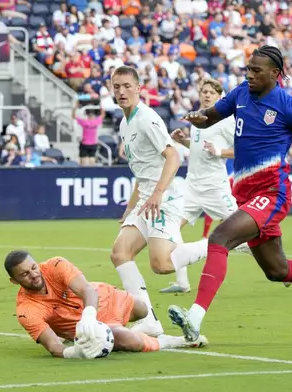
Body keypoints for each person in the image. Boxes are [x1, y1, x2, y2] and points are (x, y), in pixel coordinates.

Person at [167, 46, 292, 342]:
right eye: (248, 68)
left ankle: (194, 318)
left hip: (272, 193)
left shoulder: (289, 105)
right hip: (246, 194)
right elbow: (211, 115)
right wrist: (198, 117)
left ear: (275, 74)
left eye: (256, 70)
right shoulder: (241, 93)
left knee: (220, 238)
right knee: (277, 270)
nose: (249, 75)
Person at [109, 65, 209, 340]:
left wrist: (157, 193)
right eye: (116, 86)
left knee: (162, 265)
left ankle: (222, 243)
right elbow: (142, 170)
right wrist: (131, 206)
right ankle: (150, 320)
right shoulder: (124, 123)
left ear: (139, 88)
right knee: (119, 253)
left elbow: (173, 157)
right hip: (146, 198)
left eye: (127, 85)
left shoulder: (147, 119)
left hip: (164, 197)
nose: (121, 91)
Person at [5, 250, 208, 359]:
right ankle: (176, 340)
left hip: (103, 298)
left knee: (143, 309)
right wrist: (75, 353)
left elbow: (87, 291)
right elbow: (54, 347)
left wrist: (89, 315)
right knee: (128, 340)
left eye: (33, 267)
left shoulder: (55, 265)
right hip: (95, 327)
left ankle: (139, 328)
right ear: (14, 281)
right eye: (24, 274)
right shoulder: (26, 310)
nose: (33, 274)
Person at [161, 78, 251, 293]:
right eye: (204, 91)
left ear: (220, 96)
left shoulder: (227, 121)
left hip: (215, 188)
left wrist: (220, 152)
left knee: (245, 234)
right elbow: (200, 148)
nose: (207, 95)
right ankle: (182, 283)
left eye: (211, 92)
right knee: (170, 228)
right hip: (192, 188)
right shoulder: (199, 118)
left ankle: (280, 268)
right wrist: (184, 141)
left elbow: (244, 149)